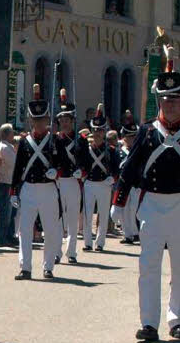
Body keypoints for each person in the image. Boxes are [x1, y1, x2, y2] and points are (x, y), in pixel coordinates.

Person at [115, 47, 180, 342]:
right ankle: (149, 323)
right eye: (166, 99)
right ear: (160, 100)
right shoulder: (147, 132)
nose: (170, 104)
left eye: (176, 99)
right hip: (153, 204)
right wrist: (120, 201)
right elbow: (130, 168)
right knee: (149, 266)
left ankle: (177, 318)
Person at [11, 85, 69, 280]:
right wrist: (13, 191)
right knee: (25, 230)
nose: (38, 123)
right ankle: (25, 267)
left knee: (51, 230)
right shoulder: (25, 142)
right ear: (30, 120)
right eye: (35, 120)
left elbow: (66, 164)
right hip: (28, 188)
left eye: (41, 120)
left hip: (48, 188)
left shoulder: (56, 141)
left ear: (47, 120)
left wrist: (57, 172)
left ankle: (48, 266)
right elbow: (18, 168)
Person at [79, 104, 114, 252]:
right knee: (87, 214)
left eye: (100, 130)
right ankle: (87, 242)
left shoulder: (110, 150)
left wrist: (113, 177)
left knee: (103, 214)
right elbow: (82, 164)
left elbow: (115, 166)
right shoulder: (87, 149)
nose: (98, 133)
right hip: (90, 183)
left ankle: (100, 243)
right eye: (95, 130)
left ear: (104, 131)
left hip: (104, 184)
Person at [55, 89, 82, 265]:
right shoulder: (55, 140)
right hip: (58, 181)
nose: (64, 123)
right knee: (57, 218)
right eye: (62, 121)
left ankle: (71, 251)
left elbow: (85, 160)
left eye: (67, 120)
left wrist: (82, 171)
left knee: (72, 218)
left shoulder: (80, 140)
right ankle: (56, 251)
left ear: (72, 121)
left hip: (73, 181)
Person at [112, 115, 140, 244]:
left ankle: (136, 233)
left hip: (136, 185)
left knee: (135, 210)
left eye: (134, 136)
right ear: (124, 138)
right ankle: (127, 235)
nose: (132, 139)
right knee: (123, 210)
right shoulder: (119, 152)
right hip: (123, 185)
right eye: (129, 137)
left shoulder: (139, 151)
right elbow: (114, 166)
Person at [0, 123, 17, 246]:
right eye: (12, 132)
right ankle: (2, 239)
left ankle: (7, 237)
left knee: (9, 212)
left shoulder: (7, 146)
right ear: (7, 134)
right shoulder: (4, 147)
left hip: (8, 181)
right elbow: (14, 164)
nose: (13, 134)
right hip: (5, 182)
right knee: (5, 212)